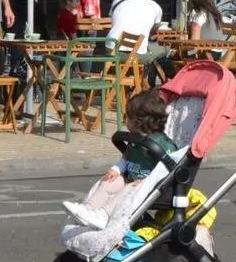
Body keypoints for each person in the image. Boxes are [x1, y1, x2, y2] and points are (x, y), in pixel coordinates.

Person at [62, 89, 177, 230]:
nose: (125, 120)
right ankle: (87, 210)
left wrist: (150, 181)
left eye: (128, 117)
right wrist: (117, 169)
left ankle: (103, 215)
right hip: (131, 178)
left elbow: (170, 167)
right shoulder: (136, 137)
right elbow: (126, 157)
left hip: (152, 187)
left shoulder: (161, 143)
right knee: (109, 182)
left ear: (139, 121)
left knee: (127, 189)